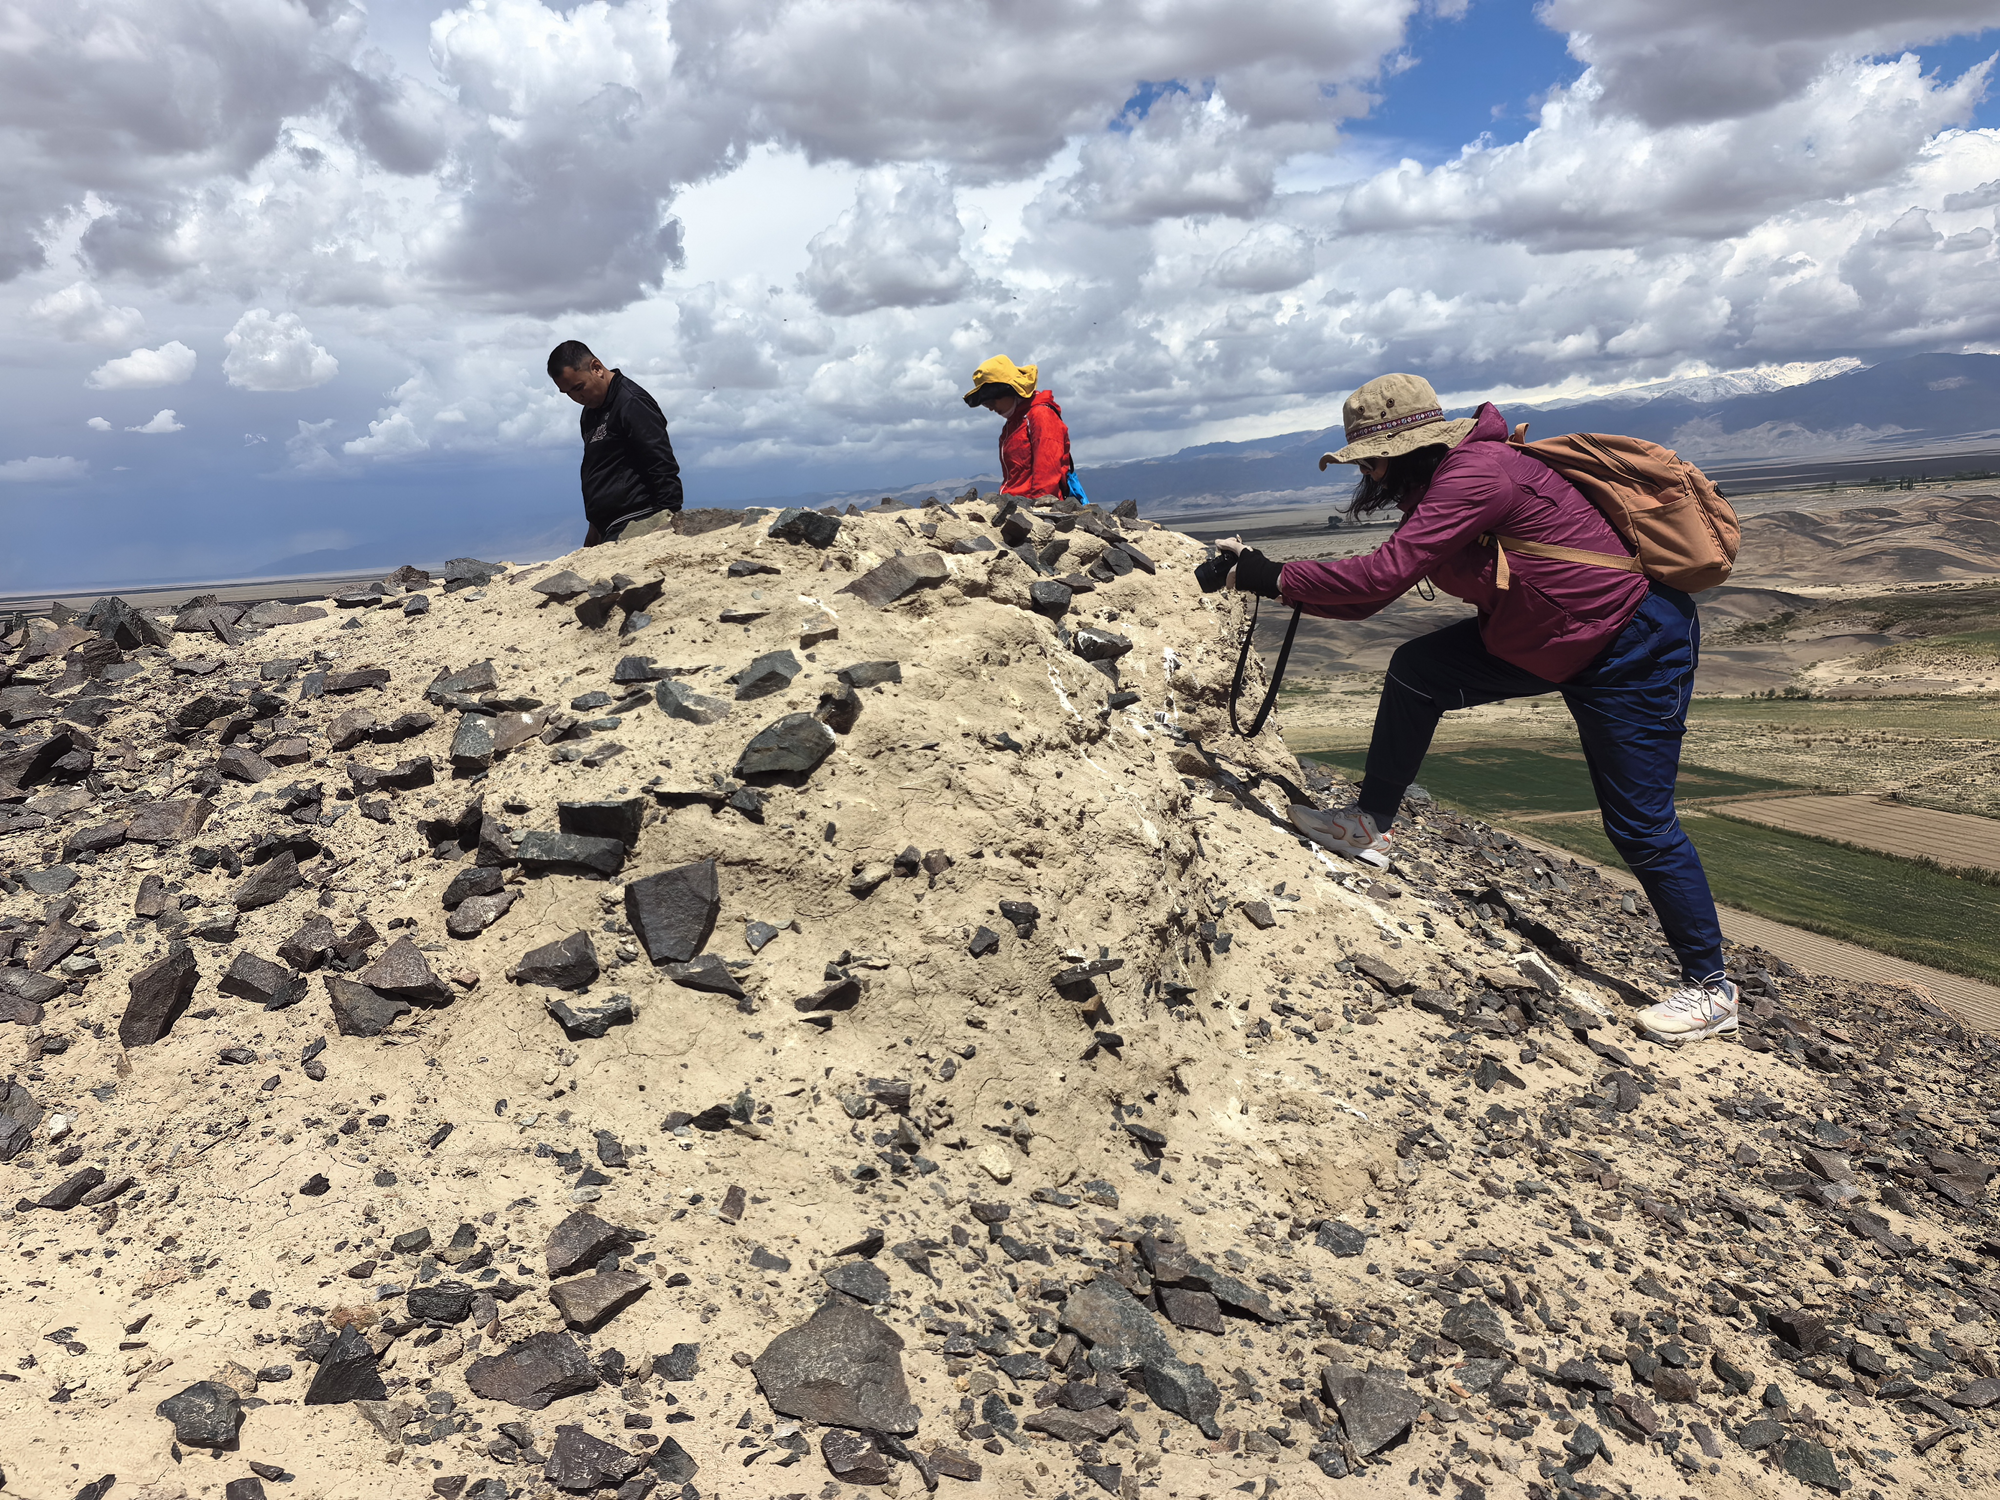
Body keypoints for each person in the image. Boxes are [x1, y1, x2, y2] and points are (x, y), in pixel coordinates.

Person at [1217, 372, 1737, 1044]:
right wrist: (1269, 580)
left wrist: (1266, 573)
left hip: (1630, 646)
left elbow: (1380, 575)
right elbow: (1372, 597)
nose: (1366, 475)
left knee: (1639, 822)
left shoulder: (1476, 475)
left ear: (1406, 450)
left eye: (1370, 461)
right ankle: (1369, 825)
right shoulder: (1438, 484)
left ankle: (1711, 988)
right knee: (1419, 672)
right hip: (1550, 638)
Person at [547, 341, 683, 546]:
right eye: (568, 393)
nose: (577, 398)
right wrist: (595, 526)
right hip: (608, 528)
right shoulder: (590, 413)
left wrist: (669, 523)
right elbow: (602, 468)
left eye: (579, 387)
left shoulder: (631, 402)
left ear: (596, 368)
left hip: (639, 520)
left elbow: (661, 464)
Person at [962, 356, 1077, 499]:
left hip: (1031, 505)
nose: (990, 408)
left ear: (1007, 392)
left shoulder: (1041, 415)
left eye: (990, 401)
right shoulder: (1014, 423)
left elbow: (1048, 471)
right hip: (1016, 503)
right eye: (985, 404)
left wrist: (1041, 505)